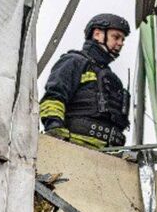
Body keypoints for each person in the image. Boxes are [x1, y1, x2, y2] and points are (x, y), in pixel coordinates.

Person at [39, 13, 132, 148]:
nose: (120, 43)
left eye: (122, 40)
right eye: (116, 37)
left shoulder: (114, 80)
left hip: (110, 154)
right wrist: (55, 131)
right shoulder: (74, 62)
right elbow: (54, 97)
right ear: (97, 34)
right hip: (77, 148)